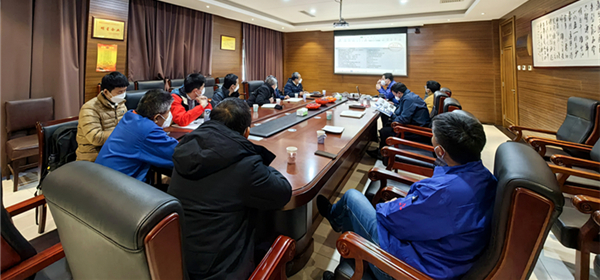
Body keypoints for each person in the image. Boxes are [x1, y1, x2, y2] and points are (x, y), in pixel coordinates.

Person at [318, 112, 497, 280]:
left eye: (433, 136)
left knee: (351, 198)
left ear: (440, 151)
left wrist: (393, 205)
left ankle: (336, 221)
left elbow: (391, 220)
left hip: (406, 268)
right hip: (446, 258)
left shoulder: (442, 193)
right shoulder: (486, 177)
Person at [168, 98, 292, 280]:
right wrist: (258, 160)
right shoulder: (245, 164)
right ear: (246, 132)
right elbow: (283, 192)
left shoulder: (186, 146)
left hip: (180, 258)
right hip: (220, 270)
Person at [95, 89, 178, 182]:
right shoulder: (148, 130)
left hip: (101, 179)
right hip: (118, 185)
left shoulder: (130, 116)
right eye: (169, 111)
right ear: (157, 117)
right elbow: (178, 155)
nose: (170, 115)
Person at [76, 71, 129, 162]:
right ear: (106, 92)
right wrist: (122, 133)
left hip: (113, 149)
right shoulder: (90, 108)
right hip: (93, 156)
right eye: (120, 92)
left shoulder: (120, 104)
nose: (123, 94)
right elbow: (95, 138)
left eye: (124, 91)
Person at [376, 82, 431, 154]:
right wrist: (393, 106)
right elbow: (403, 110)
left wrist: (392, 115)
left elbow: (404, 119)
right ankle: (381, 150)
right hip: (414, 124)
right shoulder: (408, 96)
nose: (395, 96)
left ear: (399, 93)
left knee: (385, 131)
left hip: (416, 130)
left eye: (394, 95)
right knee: (388, 124)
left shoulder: (409, 99)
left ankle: (383, 153)